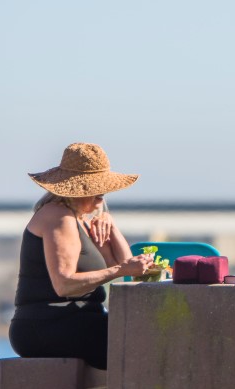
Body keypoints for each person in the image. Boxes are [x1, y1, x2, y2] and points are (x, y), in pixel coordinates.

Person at [8, 142, 155, 369]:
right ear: (79, 191)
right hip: (49, 324)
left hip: (75, 320)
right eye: (98, 195)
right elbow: (64, 285)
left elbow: (124, 263)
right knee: (142, 344)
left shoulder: (80, 220)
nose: (101, 201)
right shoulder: (60, 218)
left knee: (143, 333)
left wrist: (111, 224)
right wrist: (122, 270)